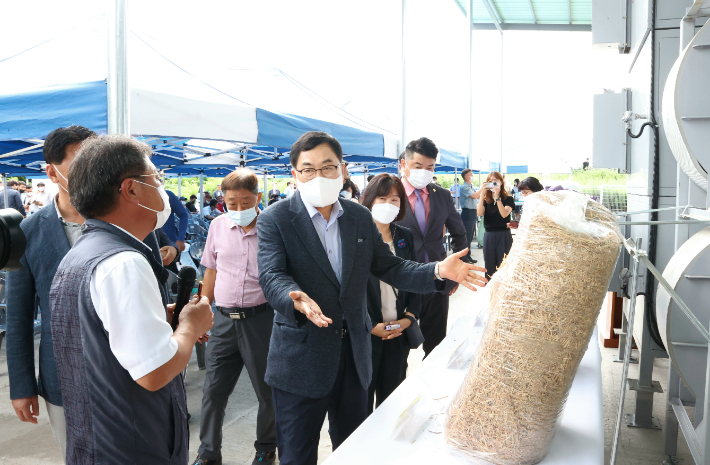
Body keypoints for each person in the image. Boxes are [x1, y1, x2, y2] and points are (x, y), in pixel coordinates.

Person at [257, 131, 486, 465]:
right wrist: (294, 297)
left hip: (355, 357)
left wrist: (437, 270)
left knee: (355, 452)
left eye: (327, 167)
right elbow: (271, 274)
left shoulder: (358, 217)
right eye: (308, 169)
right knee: (296, 455)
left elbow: (390, 267)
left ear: (342, 170)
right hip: (301, 361)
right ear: (294, 174)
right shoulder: (275, 219)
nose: (318, 176)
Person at [6, 127, 181, 460]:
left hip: (133, 373)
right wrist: (22, 386)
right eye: (81, 160)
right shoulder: (29, 231)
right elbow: (18, 316)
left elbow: (152, 290)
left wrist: (171, 324)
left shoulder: (131, 218)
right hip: (66, 376)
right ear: (52, 172)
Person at [49, 134, 213, 463]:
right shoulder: (122, 263)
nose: (162, 190)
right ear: (131, 189)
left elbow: (101, 339)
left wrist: (160, 320)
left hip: (100, 442)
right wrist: (191, 327)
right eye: (157, 178)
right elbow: (154, 372)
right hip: (133, 447)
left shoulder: (83, 253)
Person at [193, 169, 276, 465]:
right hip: (225, 322)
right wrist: (204, 309)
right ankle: (208, 454)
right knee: (213, 392)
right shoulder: (217, 226)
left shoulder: (272, 227)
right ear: (223, 201)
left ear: (258, 198)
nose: (238, 209)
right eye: (232, 203)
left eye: (245, 201)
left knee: (268, 393)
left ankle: (266, 449)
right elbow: (211, 270)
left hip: (261, 321)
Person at [396, 137, 469, 357]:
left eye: (430, 167)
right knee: (398, 350)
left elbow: (459, 233)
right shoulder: (389, 195)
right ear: (403, 165)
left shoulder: (442, 196)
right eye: (418, 166)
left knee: (436, 346)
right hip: (401, 283)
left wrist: (458, 270)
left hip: (438, 282)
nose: (424, 172)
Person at [360, 174, 421, 412]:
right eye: (382, 198)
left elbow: (414, 279)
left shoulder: (403, 236)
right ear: (369, 200)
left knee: (393, 401)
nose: (388, 205)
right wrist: (368, 325)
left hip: (398, 333)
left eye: (394, 200)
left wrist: (409, 319)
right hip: (366, 335)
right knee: (361, 403)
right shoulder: (356, 236)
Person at [477, 171, 515, 279]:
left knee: (503, 265)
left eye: (495, 180)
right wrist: (482, 195)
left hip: (504, 235)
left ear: (501, 182)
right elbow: (479, 213)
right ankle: (489, 291)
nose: (493, 183)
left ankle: (504, 292)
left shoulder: (508, 199)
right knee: (489, 266)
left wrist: (497, 198)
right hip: (489, 235)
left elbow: (504, 214)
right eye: (490, 181)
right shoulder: (486, 199)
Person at [459, 168, 481, 264]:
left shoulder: (471, 186)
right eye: (471, 174)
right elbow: (474, 196)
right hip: (467, 212)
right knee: (467, 236)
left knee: (470, 236)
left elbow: (478, 196)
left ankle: (468, 255)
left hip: (472, 212)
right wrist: (482, 188)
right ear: (466, 176)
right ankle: (464, 257)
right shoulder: (464, 187)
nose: (472, 176)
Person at [161, 188, 189, 258]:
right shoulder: (137, 196)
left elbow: (184, 214)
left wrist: (180, 239)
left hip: (170, 242)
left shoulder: (166, 195)